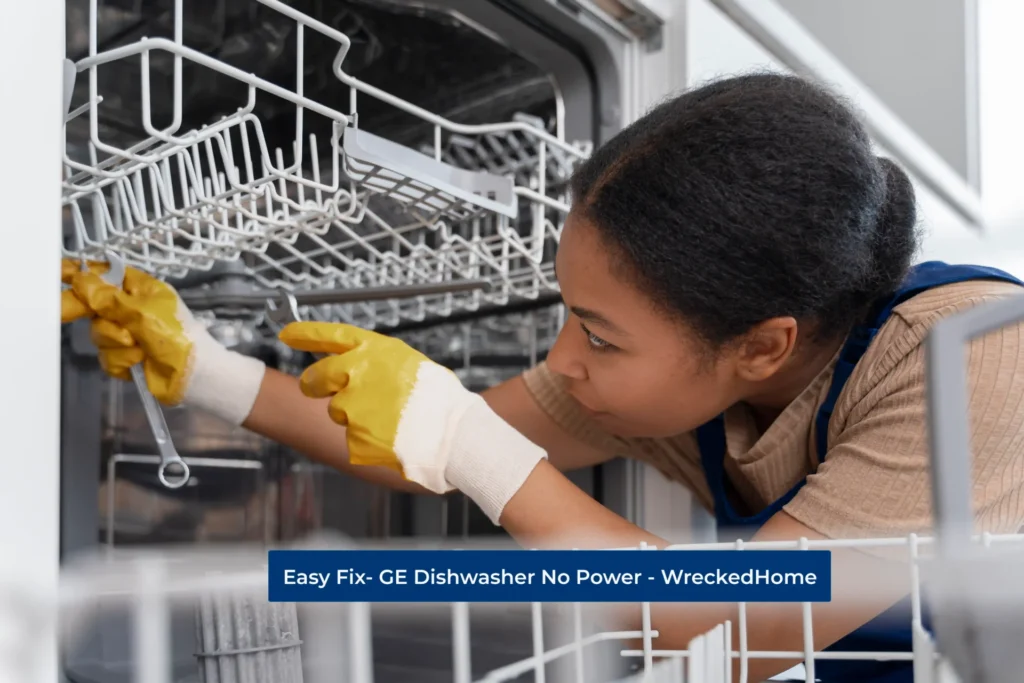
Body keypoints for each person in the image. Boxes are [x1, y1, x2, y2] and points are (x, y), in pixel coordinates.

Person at [61, 73, 1024, 682]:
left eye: (601, 337)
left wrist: (477, 447)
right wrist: (203, 368)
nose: (564, 358)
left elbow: (734, 628)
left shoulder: (977, 363)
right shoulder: (676, 369)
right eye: (571, 315)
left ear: (763, 346)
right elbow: (425, 449)